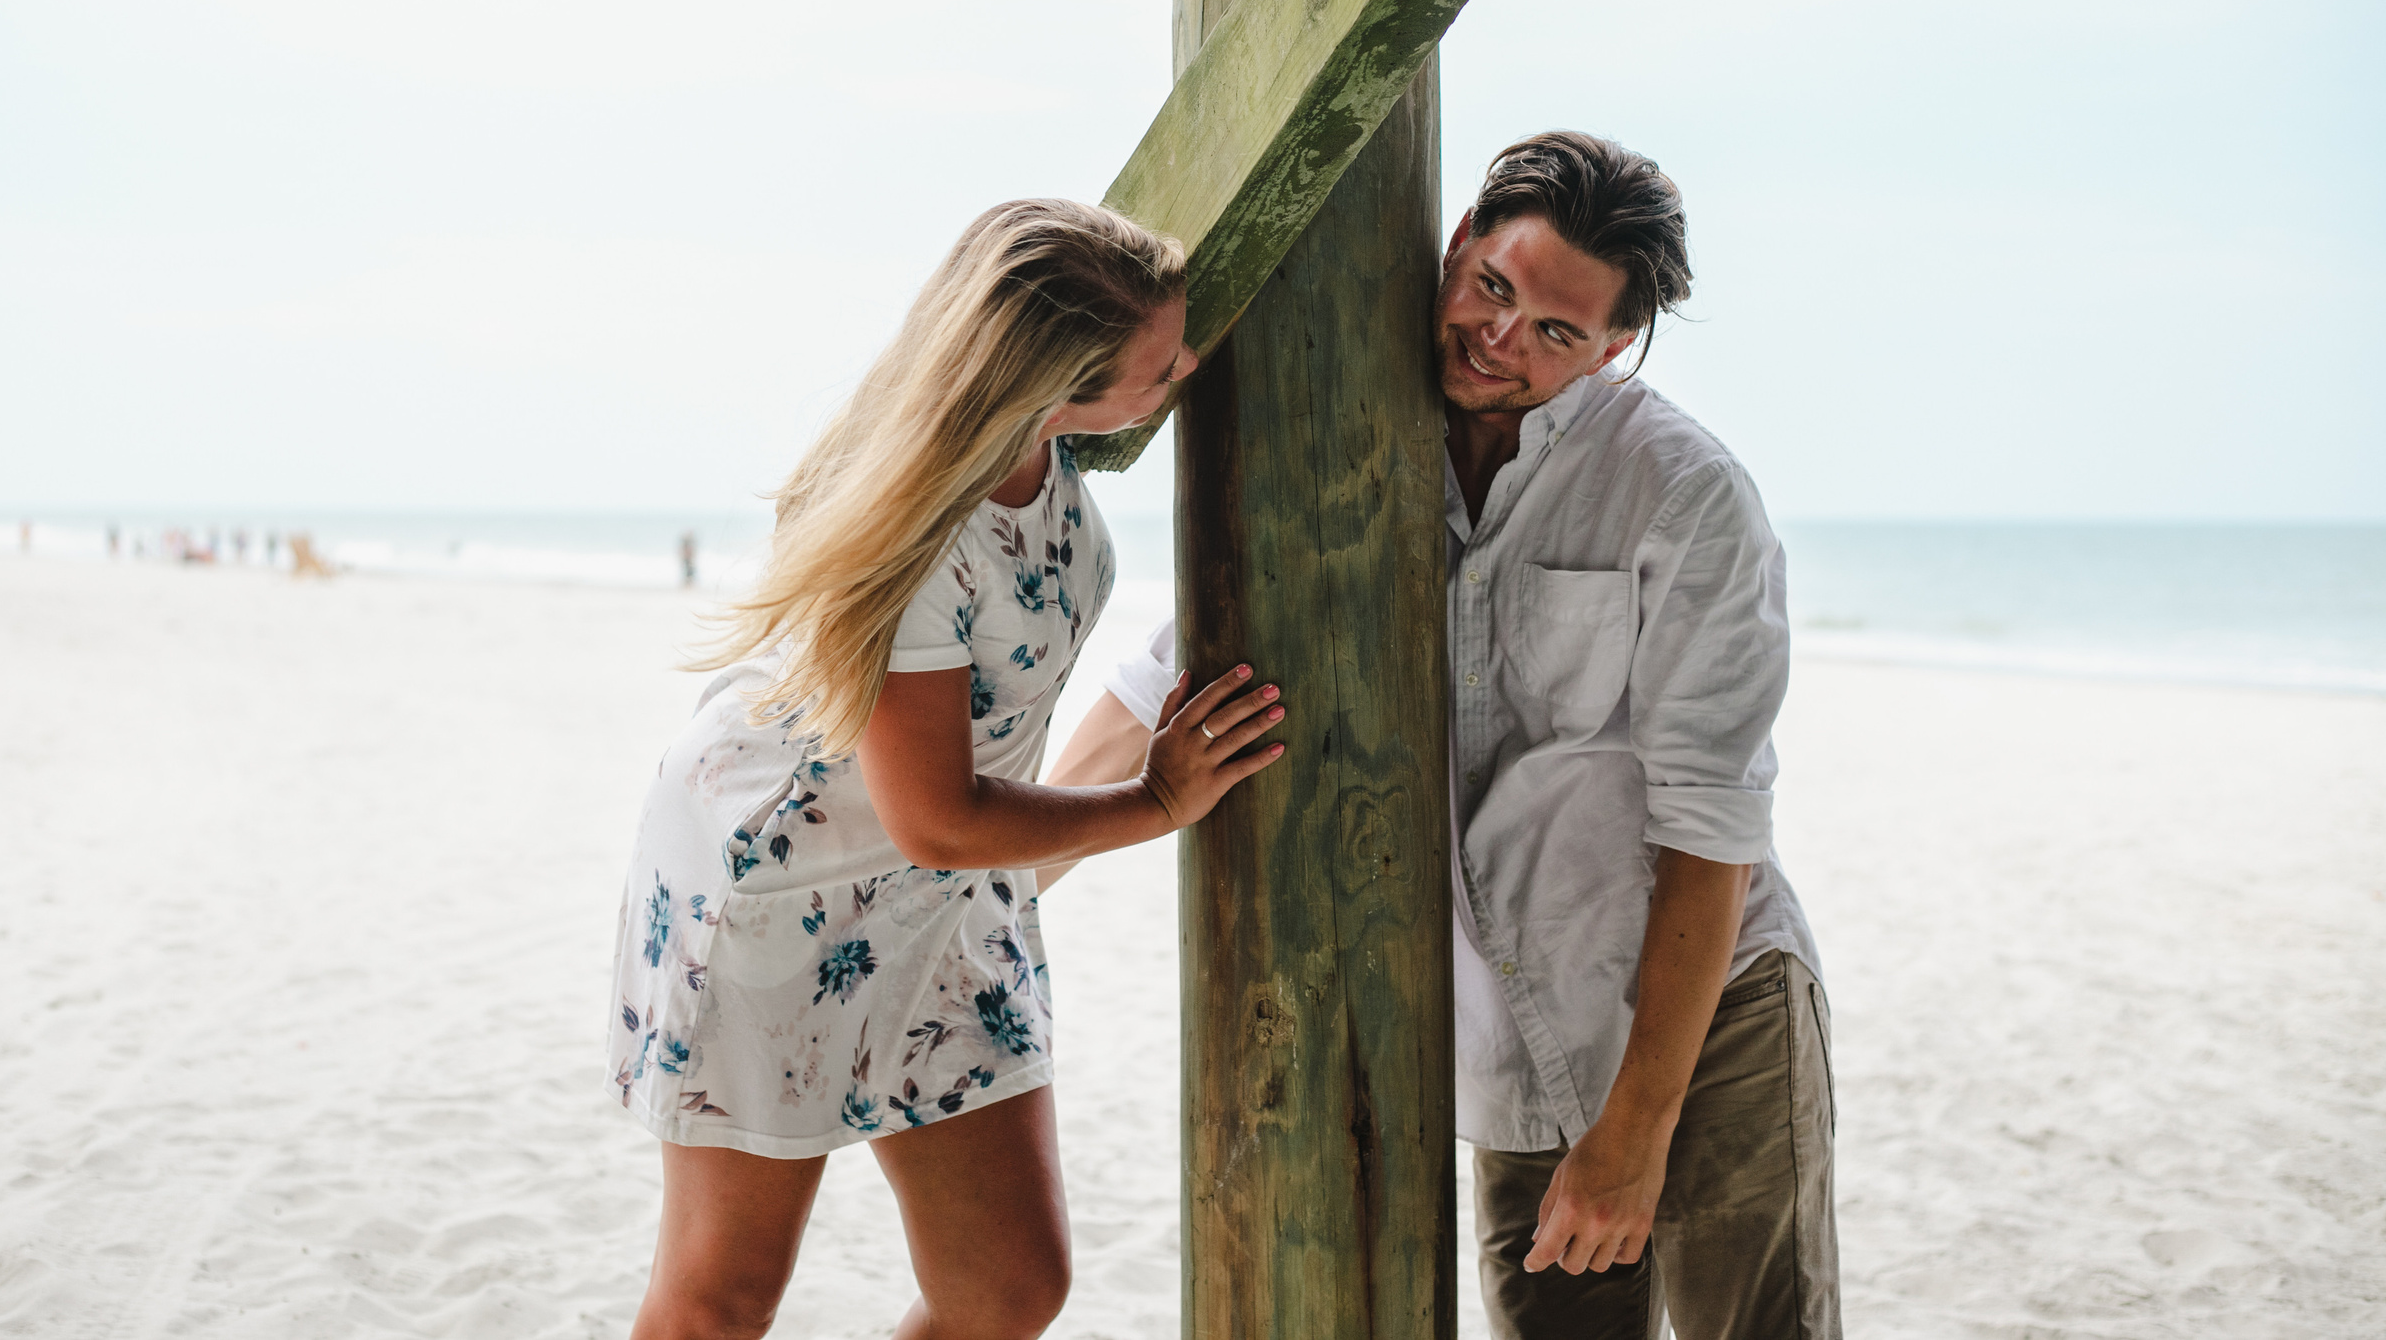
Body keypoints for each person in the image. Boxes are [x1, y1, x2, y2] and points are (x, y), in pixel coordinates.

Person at [1047, 134, 1835, 1340]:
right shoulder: (1357, 440)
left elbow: (1709, 821)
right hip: (1513, 1041)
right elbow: (1173, 674)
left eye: (1557, 334)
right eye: (1493, 288)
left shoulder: (1683, 496)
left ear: (1614, 348)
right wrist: (1003, 876)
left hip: (1708, 1020)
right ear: (1459, 237)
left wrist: (1635, 1132)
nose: (1500, 340)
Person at [607, 198, 1291, 1340]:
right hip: (781, 892)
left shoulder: (1039, 443)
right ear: (1045, 385)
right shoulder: (924, 526)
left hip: (947, 903)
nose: (1186, 371)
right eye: (1161, 363)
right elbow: (936, 814)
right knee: (721, 1297)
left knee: (1008, 1289)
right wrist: (1154, 802)